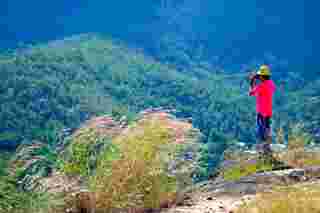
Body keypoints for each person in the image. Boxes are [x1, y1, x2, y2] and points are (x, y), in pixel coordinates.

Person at [249, 65, 276, 157]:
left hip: (261, 112)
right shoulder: (271, 84)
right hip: (268, 112)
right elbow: (271, 87)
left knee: (261, 131)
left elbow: (251, 93)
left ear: (261, 76)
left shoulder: (260, 86)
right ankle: (267, 148)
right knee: (267, 129)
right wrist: (258, 78)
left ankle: (263, 151)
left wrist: (252, 81)